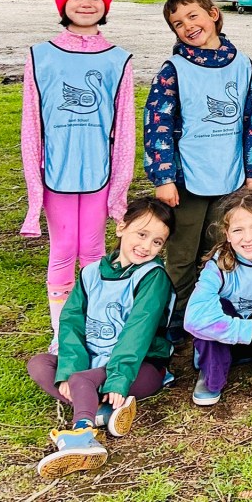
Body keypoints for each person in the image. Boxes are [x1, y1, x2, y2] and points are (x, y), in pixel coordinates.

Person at [21, 0, 135, 352]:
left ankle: (92, 325)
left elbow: (123, 131)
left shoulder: (118, 59)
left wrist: (119, 187)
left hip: (98, 176)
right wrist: (35, 190)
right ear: (62, 2)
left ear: (106, 4)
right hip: (57, 175)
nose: (86, 3)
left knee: (94, 252)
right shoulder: (40, 57)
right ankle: (62, 335)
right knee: (62, 250)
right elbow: (31, 128)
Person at [142, 0, 252, 336]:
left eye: (192, 16)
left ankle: (221, 312)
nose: (187, 26)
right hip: (187, 181)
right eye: (177, 24)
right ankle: (179, 319)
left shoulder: (242, 64)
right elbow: (157, 124)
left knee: (220, 251)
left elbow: (251, 120)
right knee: (182, 255)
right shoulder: (173, 70)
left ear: (213, 14)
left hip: (230, 178)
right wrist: (164, 177)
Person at [27, 197, 175, 478]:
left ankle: (83, 432)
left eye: (157, 242)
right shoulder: (91, 273)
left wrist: (118, 378)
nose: (146, 246)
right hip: (94, 362)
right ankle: (103, 414)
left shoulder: (152, 277)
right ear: (122, 227)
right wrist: (68, 368)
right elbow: (71, 324)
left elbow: (138, 333)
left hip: (139, 368)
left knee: (80, 381)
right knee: (40, 364)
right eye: (142, 234)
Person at [183, 188, 252, 406]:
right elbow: (193, 318)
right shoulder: (217, 266)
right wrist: (247, 329)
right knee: (216, 306)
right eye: (238, 230)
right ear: (227, 233)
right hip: (227, 337)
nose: (247, 238)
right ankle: (211, 374)